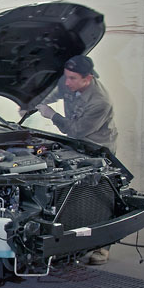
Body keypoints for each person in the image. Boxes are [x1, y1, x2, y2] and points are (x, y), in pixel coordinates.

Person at [35, 55, 117, 265]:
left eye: (72, 79)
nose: (67, 82)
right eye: (66, 77)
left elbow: (77, 130)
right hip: (76, 145)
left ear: (87, 78)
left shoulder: (100, 101)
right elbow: (55, 93)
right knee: (74, 194)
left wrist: (51, 115)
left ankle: (102, 247)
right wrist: (35, 102)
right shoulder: (70, 81)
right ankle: (72, 239)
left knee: (100, 196)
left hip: (97, 148)